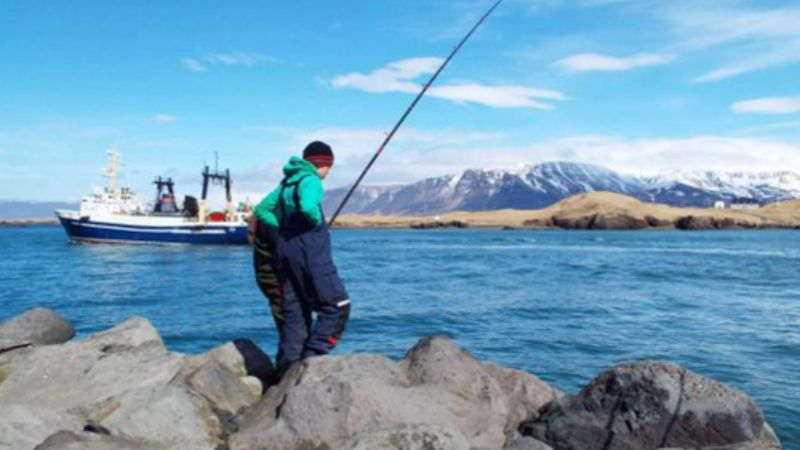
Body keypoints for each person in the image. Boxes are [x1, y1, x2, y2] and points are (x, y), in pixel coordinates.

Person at [252, 141, 350, 377]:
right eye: (329, 167)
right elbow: (308, 206)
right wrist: (315, 221)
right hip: (311, 256)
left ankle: (287, 371)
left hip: (285, 255)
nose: (328, 173)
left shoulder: (287, 182)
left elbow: (262, 209)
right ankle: (312, 358)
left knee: (295, 313)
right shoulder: (311, 180)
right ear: (321, 164)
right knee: (338, 306)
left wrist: (282, 230)